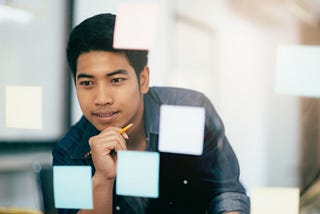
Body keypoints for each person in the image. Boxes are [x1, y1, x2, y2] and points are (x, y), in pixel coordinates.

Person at [52, 13, 250, 214]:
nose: (102, 98)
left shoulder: (184, 114)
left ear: (143, 79)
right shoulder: (71, 151)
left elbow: (225, 192)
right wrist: (103, 179)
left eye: (116, 80)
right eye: (87, 83)